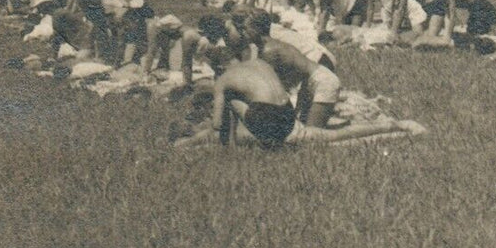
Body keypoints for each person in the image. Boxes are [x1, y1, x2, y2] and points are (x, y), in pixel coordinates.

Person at [172, 34, 424, 149]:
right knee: (324, 138)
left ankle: (393, 130)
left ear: (218, 65)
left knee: (331, 142)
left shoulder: (224, 80)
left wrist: (192, 141)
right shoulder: (258, 62)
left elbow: (217, 127)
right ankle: (392, 127)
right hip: (284, 111)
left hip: (271, 120)